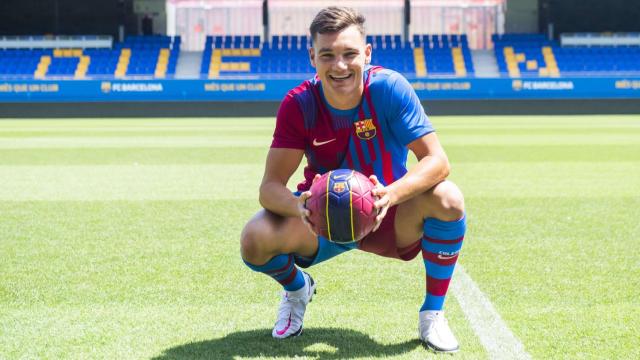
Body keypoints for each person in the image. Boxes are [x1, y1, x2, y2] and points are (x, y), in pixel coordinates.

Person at [240, 6, 466, 353]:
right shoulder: (298, 104)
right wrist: (298, 205)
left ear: (367, 53)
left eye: (349, 54)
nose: (340, 65)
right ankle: (298, 289)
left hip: (386, 212)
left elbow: (437, 161)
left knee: (448, 199)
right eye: (327, 55)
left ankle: (432, 314)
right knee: (254, 239)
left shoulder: (389, 89)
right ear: (312, 56)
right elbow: (269, 188)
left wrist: (390, 195)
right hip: (321, 219)